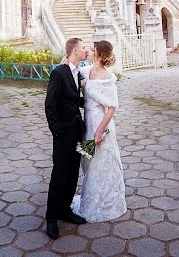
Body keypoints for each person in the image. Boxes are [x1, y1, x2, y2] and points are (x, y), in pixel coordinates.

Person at [71, 40, 127, 222]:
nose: (90, 50)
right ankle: (91, 197)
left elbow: (111, 108)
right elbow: (73, 70)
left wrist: (99, 132)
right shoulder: (87, 71)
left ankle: (105, 201)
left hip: (100, 125)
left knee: (101, 162)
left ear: (101, 55)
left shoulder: (106, 78)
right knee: (88, 163)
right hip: (88, 121)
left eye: (93, 49)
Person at [44, 37, 88, 240]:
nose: (86, 50)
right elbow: (50, 104)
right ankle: (51, 218)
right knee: (59, 175)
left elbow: (74, 99)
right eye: (83, 48)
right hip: (62, 134)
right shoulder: (59, 72)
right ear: (75, 51)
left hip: (77, 132)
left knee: (72, 174)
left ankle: (66, 210)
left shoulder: (77, 72)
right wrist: (57, 130)